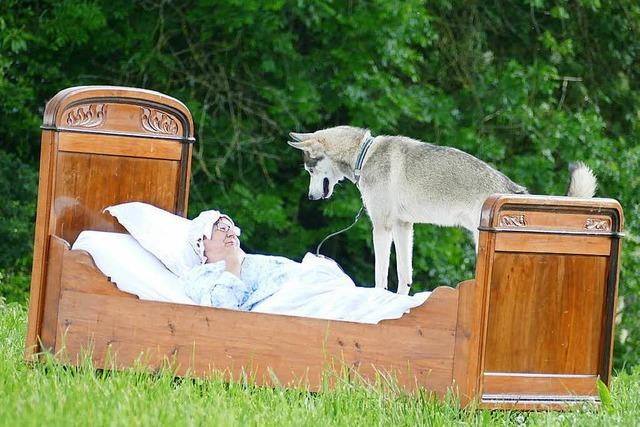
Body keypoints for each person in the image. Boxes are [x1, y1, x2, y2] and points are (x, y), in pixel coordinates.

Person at [182, 211, 303, 310]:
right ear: (201, 241)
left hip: (302, 279)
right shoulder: (198, 277)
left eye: (233, 229)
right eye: (222, 228)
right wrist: (233, 262)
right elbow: (222, 309)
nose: (231, 233)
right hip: (290, 301)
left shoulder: (248, 260)